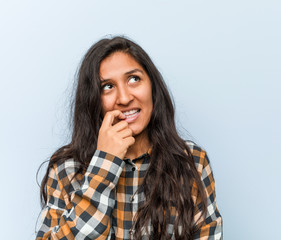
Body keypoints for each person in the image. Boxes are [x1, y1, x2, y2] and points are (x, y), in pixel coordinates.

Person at [36, 36, 222, 240]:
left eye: (134, 79)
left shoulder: (192, 162)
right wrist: (104, 164)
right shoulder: (66, 168)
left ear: (153, 86)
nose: (124, 98)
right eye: (107, 86)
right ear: (93, 100)